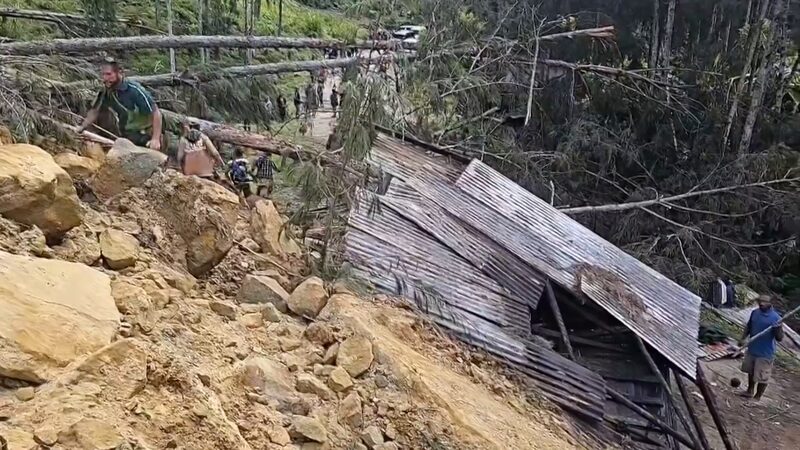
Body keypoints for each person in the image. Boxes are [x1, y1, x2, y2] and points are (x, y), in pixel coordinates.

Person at [79, 58, 164, 151]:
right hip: (127, 135)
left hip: (145, 134)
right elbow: (95, 111)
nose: (105, 78)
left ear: (118, 73)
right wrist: (82, 127)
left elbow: (156, 112)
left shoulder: (134, 90)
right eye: (103, 74)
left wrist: (155, 139)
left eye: (108, 74)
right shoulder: (106, 92)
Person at [739, 295, 784, 402]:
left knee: (762, 376)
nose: (761, 304)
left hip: (765, 353)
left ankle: (757, 397)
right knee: (751, 371)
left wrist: (777, 328)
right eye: (760, 301)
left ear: (770, 303)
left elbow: (779, 338)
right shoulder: (755, 313)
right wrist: (742, 338)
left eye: (764, 302)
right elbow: (749, 326)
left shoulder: (776, 318)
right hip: (752, 348)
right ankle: (749, 391)